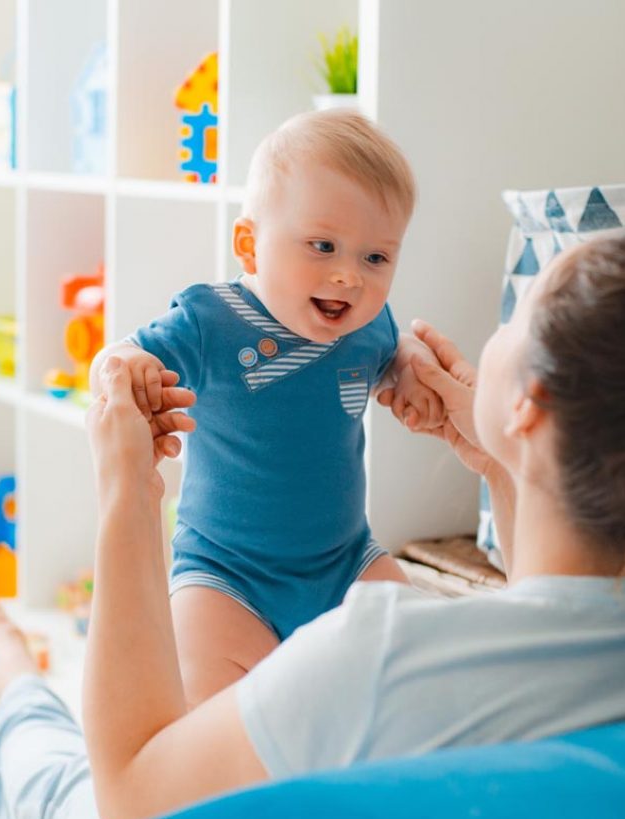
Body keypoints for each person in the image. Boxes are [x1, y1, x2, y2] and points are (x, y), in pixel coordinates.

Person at [0, 234, 625, 819]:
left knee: (75, 797)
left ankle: (12, 711)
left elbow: (134, 801)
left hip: (171, 811)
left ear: (526, 407)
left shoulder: (380, 651)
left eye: (515, 316)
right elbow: (556, 609)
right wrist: (501, 464)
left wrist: (128, 491)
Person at [89, 109, 443, 706]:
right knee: (209, 712)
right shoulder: (210, 321)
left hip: (346, 561)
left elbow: (392, 352)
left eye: (375, 258)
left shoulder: (367, 327)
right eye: (323, 245)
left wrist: (411, 369)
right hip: (225, 577)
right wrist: (125, 369)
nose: (348, 277)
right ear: (250, 245)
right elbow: (117, 357)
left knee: (420, 662)